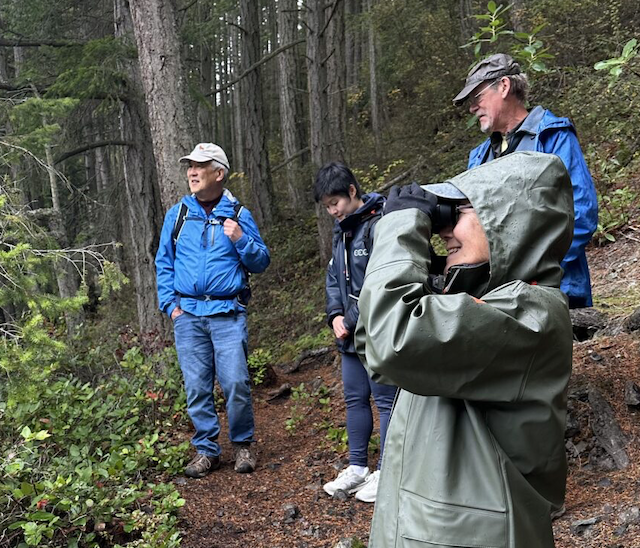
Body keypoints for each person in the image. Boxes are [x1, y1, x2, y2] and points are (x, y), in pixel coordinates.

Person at [355, 152, 574, 547]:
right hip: (422, 527)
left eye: (458, 214)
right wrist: (427, 269)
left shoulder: (531, 313)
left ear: (511, 220)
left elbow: (393, 340)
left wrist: (402, 227)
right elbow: (372, 342)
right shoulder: (482, 302)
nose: (443, 231)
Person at [155, 142, 270, 478]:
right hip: (188, 316)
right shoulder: (177, 215)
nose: (191, 171)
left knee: (235, 382)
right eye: (189, 165)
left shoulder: (239, 215)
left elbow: (261, 261)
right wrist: (171, 307)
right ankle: (207, 451)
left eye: (200, 165)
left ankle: (242, 445)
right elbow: (164, 263)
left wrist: (240, 239)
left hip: (228, 315)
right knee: (197, 387)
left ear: (218, 173)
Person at [453, 53, 598, 309]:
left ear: (505, 86)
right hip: (497, 299)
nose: (472, 108)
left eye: (476, 97)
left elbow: (582, 214)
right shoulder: (479, 158)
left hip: (558, 292)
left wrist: (539, 272)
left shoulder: (554, 137)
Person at [313, 162, 397, 503]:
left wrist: (350, 318)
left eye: (336, 203)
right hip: (348, 334)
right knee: (354, 398)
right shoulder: (341, 230)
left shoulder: (379, 223)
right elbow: (334, 277)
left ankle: (389, 470)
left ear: (352, 191)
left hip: (376, 329)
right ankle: (358, 467)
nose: (333, 211)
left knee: (385, 400)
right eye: (327, 206)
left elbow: (381, 281)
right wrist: (334, 314)